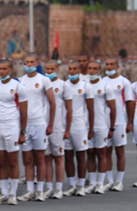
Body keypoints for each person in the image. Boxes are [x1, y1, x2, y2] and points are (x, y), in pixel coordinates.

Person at [18, 54, 55, 202]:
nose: (29, 65)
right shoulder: (20, 81)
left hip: (39, 123)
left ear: (37, 63)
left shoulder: (44, 80)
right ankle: (29, 190)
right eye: (26, 62)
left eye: (32, 62)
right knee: (27, 159)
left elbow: (52, 103)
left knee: (40, 158)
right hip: (25, 125)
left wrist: (50, 124)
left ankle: (40, 190)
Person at [0, 59, 27, 205]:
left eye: (4, 69)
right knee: (1, 161)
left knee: (12, 160)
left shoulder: (18, 86)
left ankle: (12, 193)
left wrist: (22, 132)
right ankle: (3, 192)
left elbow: (24, 111)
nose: (2, 72)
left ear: (11, 70)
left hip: (12, 126)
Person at [103, 58, 135, 191]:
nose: (109, 67)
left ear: (117, 66)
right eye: (107, 64)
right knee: (106, 152)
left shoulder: (124, 82)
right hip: (104, 121)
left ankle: (119, 181)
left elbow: (130, 102)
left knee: (119, 151)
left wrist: (129, 122)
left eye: (112, 65)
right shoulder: (102, 81)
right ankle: (110, 181)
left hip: (120, 121)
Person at [64, 61, 94, 197]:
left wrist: (91, 128)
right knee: (68, 155)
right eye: (70, 69)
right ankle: (71, 184)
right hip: (65, 125)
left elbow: (90, 109)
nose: (72, 71)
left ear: (79, 70)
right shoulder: (64, 85)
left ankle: (81, 185)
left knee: (81, 155)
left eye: (74, 69)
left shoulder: (85, 86)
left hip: (80, 125)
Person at [43, 60, 72, 200]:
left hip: (58, 127)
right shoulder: (42, 83)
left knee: (58, 157)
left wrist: (68, 129)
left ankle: (59, 188)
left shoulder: (63, 85)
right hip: (43, 126)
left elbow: (69, 109)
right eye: (47, 69)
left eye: (52, 69)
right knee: (47, 158)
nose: (49, 71)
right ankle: (49, 187)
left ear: (58, 69)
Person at [87, 61, 116, 195]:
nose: (92, 71)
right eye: (90, 68)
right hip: (85, 125)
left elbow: (113, 108)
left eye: (95, 69)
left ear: (99, 71)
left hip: (101, 125)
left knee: (101, 153)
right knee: (90, 153)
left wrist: (111, 128)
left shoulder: (105, 86)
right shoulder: (84, 85)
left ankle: (100, 183)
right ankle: (92, 183)